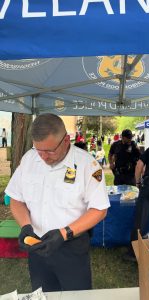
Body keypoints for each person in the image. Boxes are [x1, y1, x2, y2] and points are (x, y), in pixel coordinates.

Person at [5, 113, 110, 292]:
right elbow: (16, 199)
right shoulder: (30, 159)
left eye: (50, 151)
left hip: (71, 247)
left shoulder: (87, 165)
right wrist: (25, 227)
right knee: (42, 293)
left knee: (76, 296)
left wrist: (64, 233)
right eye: (39, 150)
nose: (44, 157)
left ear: (66, 140)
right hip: (37, 244)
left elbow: (99, 210)